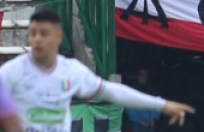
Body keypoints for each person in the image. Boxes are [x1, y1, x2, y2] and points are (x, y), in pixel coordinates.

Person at [1, 8, 194, 132]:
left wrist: (161, 105)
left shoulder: (71, 71)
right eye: (33, 33)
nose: (37, 39)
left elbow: (113, 92)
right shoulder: (13, 72)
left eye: (44, 33)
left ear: (59, 36)